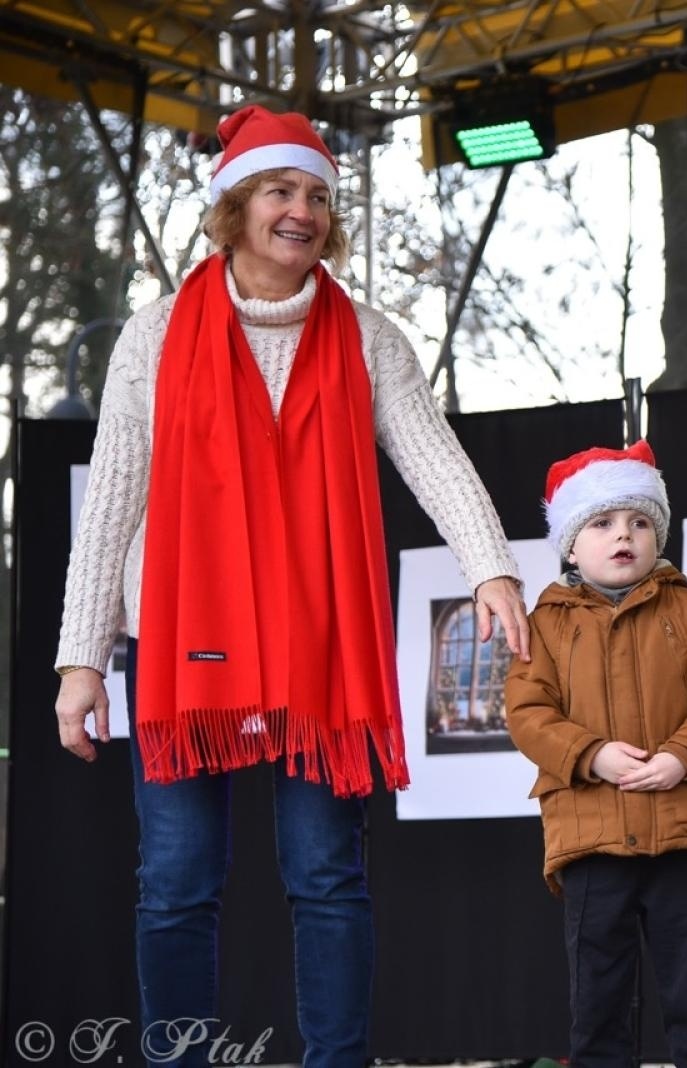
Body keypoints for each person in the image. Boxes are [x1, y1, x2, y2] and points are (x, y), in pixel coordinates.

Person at [52, 106, 529, 1068]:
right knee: (177, 881)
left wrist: (493, 568)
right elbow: (111, 501)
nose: (301, 210)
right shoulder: (153, 338)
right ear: (234, 206)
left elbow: (432, 457)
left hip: (319, 640)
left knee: (327, 877)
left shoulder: (366, 336)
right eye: (280, 190)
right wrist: (80, 660)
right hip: (184, 637)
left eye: (316, 194)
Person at [505, 440, 687, 1068]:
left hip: (681, 834)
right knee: (599, 1004)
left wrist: (681, 756)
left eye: (640, 522)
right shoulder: (545, 624)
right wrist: (592, 755)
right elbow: (528, 714)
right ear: (570, 544)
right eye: (603, 522)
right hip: (592, 841)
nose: (624, 535)